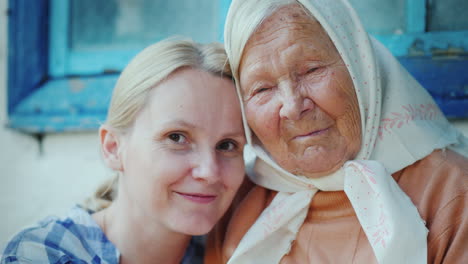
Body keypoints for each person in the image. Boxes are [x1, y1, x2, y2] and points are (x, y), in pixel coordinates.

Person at [205, 0, 468, 263]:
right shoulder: (236, 200)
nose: (293, 107)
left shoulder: (452, 194)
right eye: (262, 89)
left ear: (359, 66)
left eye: (312, 70)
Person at [1, 38, 247, 264]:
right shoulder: (42, 255)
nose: (209, 171)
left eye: (227, 145)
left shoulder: (241, 252)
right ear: (113, 148)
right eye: (176, 137)